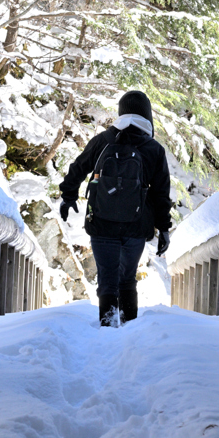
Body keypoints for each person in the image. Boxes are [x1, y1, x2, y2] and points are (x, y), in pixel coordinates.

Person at [59, 90, 171, 326]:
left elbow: (78, 168)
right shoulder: (154, 149)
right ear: (147, 116)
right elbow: (161, 195)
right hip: (135, 227)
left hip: (102, 223)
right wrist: (163, 229)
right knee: (127, 279)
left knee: (107, 279)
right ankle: (128, 330)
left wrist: (68, 196)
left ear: (121, 113)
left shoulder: (103, 141)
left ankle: (107, 328)